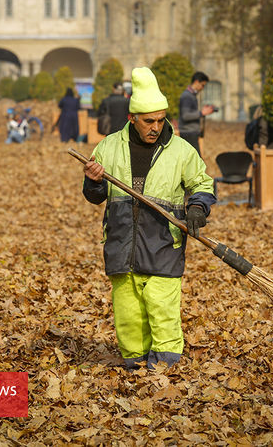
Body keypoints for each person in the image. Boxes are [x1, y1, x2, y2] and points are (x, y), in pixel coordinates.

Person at [81, 67, 216, 370]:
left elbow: (203, 184)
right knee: (128, 312)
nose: (156, 126)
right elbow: (95, 196)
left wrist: (197, 208)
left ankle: (164, 369)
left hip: (163, 242)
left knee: (161, 307)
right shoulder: (108, 147)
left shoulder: (181, 150)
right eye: (149, 121)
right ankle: (135, 364)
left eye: (160, 119)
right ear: (132, 119)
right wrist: (93, 181)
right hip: (121, 240)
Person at [178, 71, 215, 156]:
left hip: (190, 133)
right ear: (196, 82)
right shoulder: (187, 96)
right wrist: (202, 113)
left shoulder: (190, 95)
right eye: (202, 85)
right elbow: (186, 116)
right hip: (188, 134)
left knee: (194, 162)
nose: (203, 88)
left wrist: (202, 112)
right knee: (196, 163)